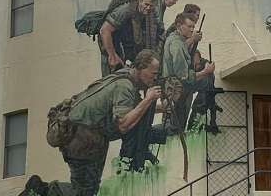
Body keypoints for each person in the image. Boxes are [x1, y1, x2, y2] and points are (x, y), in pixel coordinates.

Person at [19, 50, 163, 196]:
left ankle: (41, 190)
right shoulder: (124, 87)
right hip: (82, 139)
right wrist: (148, 99)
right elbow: (123, 124)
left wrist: (160, 107)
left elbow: (132, 109)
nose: (155, 78)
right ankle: (40, 190)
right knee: (83, 192)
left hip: (80, 134)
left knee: (86, 190)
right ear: (140, 68)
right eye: (153, 74)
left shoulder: (125, 75)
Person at [162, 13, 214, 134]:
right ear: (179, 26)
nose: (192, 29)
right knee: (207, 80)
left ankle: (189, 120)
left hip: (176, 84)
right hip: (176, 85)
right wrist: (205, 71)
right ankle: (195, 118)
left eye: (193, 26)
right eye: (189, 26)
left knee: (178, 123)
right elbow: (184, 76)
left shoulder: (176, 38)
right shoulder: (176, 44)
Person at [99, 0, 163, 76]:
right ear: (140, 0)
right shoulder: (125, 11)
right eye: (146, 4)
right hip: (113, 50)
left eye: (151, 6)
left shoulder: (151, 14)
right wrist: (112, 55)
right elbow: (105, 30)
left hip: (130, 53)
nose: (148, 8)